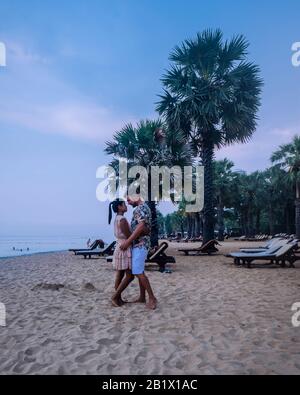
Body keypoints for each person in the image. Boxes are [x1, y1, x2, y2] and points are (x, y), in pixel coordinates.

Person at [113, 196, 157, 310]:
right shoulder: (141, 208)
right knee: (139, 270)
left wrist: (128, 242)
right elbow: (143, 227)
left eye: (128, 199)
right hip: (139, 244)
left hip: (140, 244)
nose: (127, 202)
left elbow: (142, 225)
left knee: (137, 271)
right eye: (125, 201)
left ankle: (152, 298)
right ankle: (142, 297)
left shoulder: (140, 208)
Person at [108, 199, 133, 307]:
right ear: (119, 207)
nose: (126, 206)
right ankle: (115, 297)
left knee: (120, 274)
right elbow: (129, 236)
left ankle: (118, 299)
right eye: (124, 204)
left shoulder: (117, 218)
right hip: (124, 247)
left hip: (120, 246)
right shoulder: (122, 219)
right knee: (129, 276)